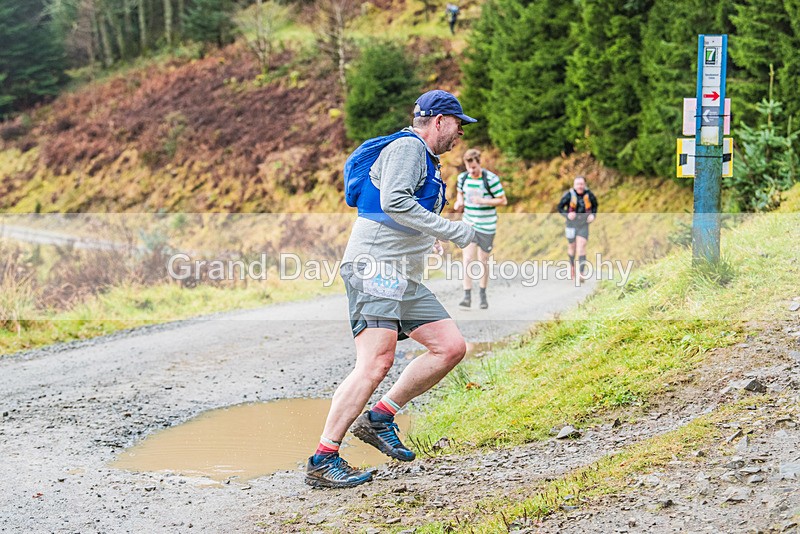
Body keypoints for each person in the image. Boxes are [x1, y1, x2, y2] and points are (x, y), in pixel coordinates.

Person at [305, 89, 478, 489]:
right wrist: (451, 231)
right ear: (439, 121)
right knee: (375, 362)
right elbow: (395, 201)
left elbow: (403, 211)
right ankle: (323, 458)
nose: (460, 135)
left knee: (450, 347)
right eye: (457, 125)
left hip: (402, 275)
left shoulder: (427, 161)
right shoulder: (407, 147)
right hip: (375, 268)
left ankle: (380, 417)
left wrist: (427, 237)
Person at [453, 148, 507, 309]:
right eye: (469, 168)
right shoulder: (462, 178)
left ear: (479, 163)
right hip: (469, 224)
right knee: (468, 259)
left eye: (474, 168)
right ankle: (467, 295)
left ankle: (482, 294)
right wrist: (459, 202)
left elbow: (503, 200)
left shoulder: (490, 179)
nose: (472, 171)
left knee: (483, 260)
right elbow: (459, 194)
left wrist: (483, 201)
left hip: (487, 225)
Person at [557, 175, 598, 281]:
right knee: (572, 247)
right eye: (578, 184)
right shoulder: (569, 195)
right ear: (574, 185)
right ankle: (572, 266)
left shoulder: (589, 195)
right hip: (571, 225)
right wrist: (567, 215)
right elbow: (560, 208)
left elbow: (595, 206)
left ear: (585, 184)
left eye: (581, 184)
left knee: (582, 246)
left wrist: (593, 215)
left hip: (583, 224)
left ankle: (581, 273)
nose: (580, 186)